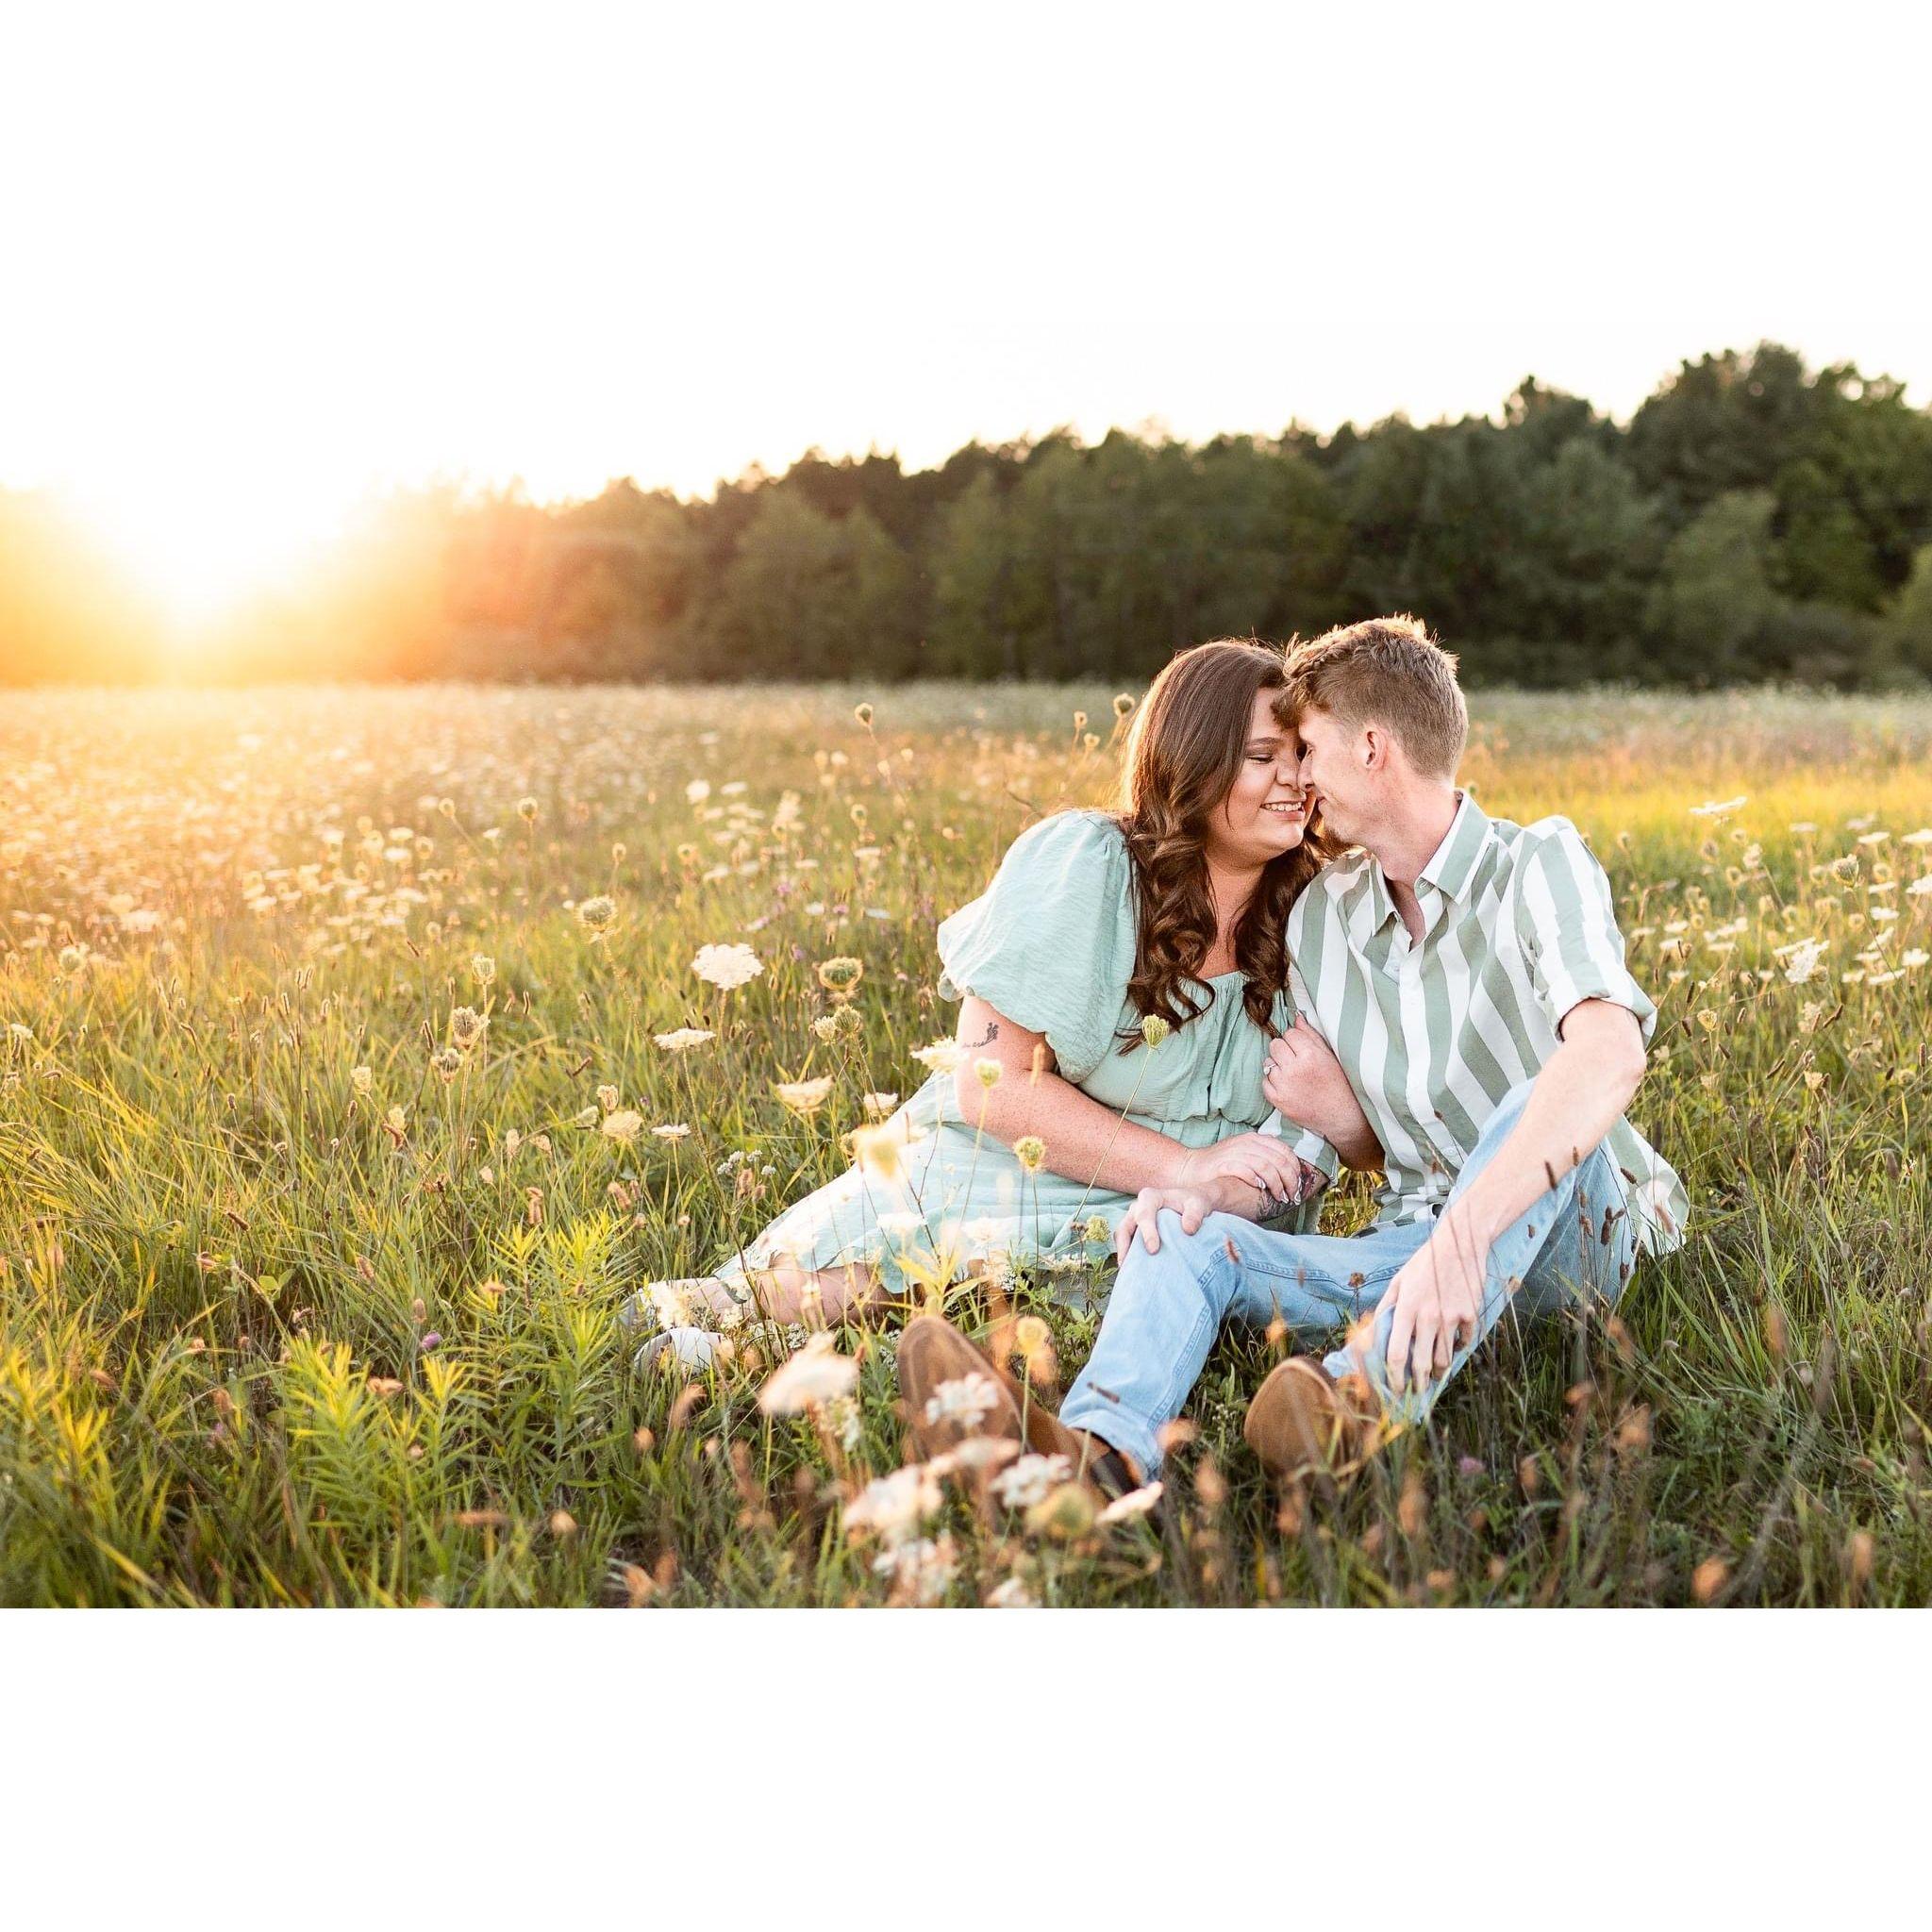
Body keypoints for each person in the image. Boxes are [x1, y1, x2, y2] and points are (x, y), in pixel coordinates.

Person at [901, 615, 1686, 1493]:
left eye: (1306, 749)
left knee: (1539, 1100)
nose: (1298, 781)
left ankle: (1355, 1402)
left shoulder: (1540, 862)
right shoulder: (1326, 917)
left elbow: (1608, 1057)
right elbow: (1299, 1151)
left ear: (1374, 749)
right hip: (1409, 1253)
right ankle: (1094, 1457)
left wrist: (1461, 1238)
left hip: (1579, 1238)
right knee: (1185, 1234)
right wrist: (1187, 1188)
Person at [630, 639, 1379, 1367]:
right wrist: (1184, 1165)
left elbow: (1325, 1123)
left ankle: (810, 1358)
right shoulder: (1086, 866)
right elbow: (994, 1086)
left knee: (1044, 1308)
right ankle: (731, 1322)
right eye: (1261, 758)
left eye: (1302, 756)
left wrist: (1215, 1187)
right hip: (1027, 1158)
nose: (1295, 782)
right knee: (910, 1256)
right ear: (1194, 762)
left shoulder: (1325, 912)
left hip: (1199, 1206)